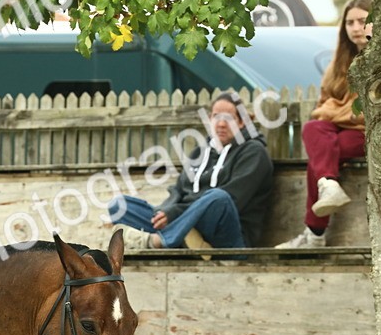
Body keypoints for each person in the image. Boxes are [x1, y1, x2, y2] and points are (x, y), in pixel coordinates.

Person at [107, 92, 275, 250]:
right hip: (184, 224)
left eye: (229, 118)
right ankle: (186, 241)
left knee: (218, 197)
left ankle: (160, 241)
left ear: (242, 122)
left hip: (226, 238)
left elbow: (233, 200)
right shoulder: (200, 152)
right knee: (119, 205)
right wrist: (165, 211)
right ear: (210, 119)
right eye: (216, 116)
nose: (222, 123)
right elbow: (178, 190)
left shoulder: (254, 153)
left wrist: (176, 213)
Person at [276, 0, 373, 249]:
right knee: (313, 129)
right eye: (349, 22)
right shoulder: (339, 63)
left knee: (321, 156)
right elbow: (321, 109)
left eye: (361, 21)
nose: (355, 28)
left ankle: (314, 235)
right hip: (339, 133)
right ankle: (328, 185)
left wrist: (337, 112)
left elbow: (365, 113)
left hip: (370, 135)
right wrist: (341, 112)